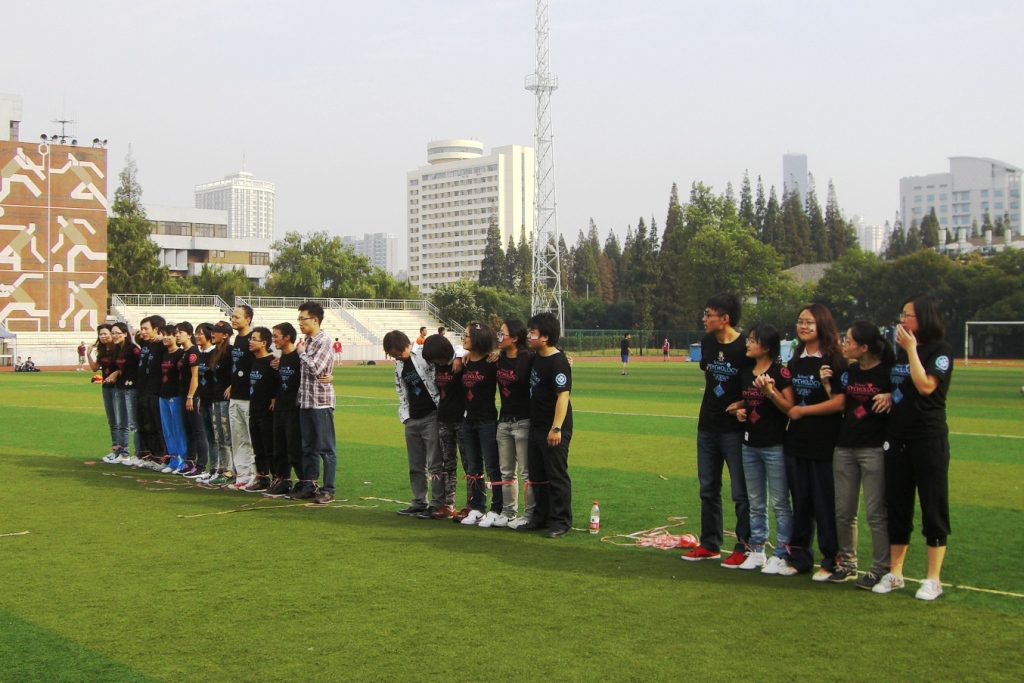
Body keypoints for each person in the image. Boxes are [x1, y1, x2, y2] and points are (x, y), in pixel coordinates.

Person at [873, 294, 955, 601]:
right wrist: (887, 395)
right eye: (901, 314)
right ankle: (896, 572)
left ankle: (933, 578)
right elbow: (901, 386)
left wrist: (910, 350)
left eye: (907, 315)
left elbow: (925, 386)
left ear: (923, 319)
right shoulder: (900, 350)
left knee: (933, 506)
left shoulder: (939, 350)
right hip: (897, 437)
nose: (901, 321)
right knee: (898, 504)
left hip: (927, 438)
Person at [682, 293, 754, 566]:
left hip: (734, 430)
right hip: (707, 426)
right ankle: (710, 543)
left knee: (740, 492)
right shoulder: (708, 342)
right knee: (708, 488)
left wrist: (742, 403)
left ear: (724, 319)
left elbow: (755, 383)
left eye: (708, 314)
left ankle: (745, 545)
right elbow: (709, 373)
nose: (704, 318)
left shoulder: (746, 346)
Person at [726, 324, 796, 574]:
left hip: (774, 445)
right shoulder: (746, 372)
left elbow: (790, 408)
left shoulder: (781, 373)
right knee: (756, 501)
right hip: (749, 444)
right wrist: (740, 410)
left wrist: (770, 391)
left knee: (779, 502)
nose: (747, 343)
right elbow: (748, 400)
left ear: (766, 347)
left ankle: (782, 552)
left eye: (753, 340)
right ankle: (757, 550)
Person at [783, 304, 847, 580]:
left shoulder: (834, 359)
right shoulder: (795, 359)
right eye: (800, 322)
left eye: (809, 322)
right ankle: (799, 557)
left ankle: (830, 559)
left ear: (822, 324)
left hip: (824, 441)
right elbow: (790, 399)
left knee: (824, 501)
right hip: (797, 440)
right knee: (801, 501)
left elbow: (841, 402)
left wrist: (803, 411)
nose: (804, 326)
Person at [831, 320, 894, 589]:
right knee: (844, 511)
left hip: (874, 448)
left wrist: (892, 395)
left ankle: (880, 567)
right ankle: (847, 564)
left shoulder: (888, 373)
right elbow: (841, 404)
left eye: (849, 340)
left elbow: (909, 393)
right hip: (844, 446)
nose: (844, 344)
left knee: (875, 512)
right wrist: (826, 383)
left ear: (865, 346)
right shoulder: (850, 371)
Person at [517, 312, 573, 538]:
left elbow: (563, 396)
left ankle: (561, 521)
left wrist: (556, 427)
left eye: (533, 332)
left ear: (546, 337)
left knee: (556, 475)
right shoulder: (535, 357)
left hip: (554, 427)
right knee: (537, 475)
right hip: (536, 425)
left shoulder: (558, 361)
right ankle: (541, 517)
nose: (529, 335)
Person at [384, 329, 443, 518]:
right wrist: (405, 416)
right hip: (412, 419)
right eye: (393, 356)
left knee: (435, 464)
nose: (397, 358)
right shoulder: (399, 365)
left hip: (431, 416)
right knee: (415, 465)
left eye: (399, 353)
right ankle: (419, 502)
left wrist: (459, 357)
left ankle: (437, 504)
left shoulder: (425, 354)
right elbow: (401, 390)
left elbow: (452, 351)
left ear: (407, 345)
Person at [456, 323, 503, 527]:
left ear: (478, 339)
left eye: (466, 336)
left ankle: (497, 509)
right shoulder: (465, 361)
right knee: (473, 466)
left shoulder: (492, 362)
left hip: (487, 421)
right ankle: (476, 507)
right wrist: (459, 356)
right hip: (468, 421)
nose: (463, 338)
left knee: (493, 466)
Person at [290, 301, 337, 505]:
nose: (300, 323)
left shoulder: (323, 341)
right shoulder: (307, 342)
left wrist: (301, 353)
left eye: (303, 318)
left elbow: (316, 368)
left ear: (315, 320)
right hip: (306, 401)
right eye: (299, 319)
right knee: (308, 447)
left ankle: (328, 489)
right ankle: (310, 485)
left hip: (321, 402)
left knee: (326, 448)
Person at [495, 319, 535, 529]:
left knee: (527, 472)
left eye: (503, 334)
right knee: (506, 471)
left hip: (523, 422)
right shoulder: (498, 358)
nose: (499, 337)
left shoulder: (528, 358)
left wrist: (565, 359)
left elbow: (551, 357)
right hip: (504, 422)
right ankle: (508, 512)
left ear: (516, 338)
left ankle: (529, 514)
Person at [421, 334, 465, 519]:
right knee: (448, 464)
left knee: (470, 464)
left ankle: (473, 506)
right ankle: (449, 505)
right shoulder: (437, 366)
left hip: (462, 420)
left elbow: (467, 348)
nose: (435, 361)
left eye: (436, 357)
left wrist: (460, 356)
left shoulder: (461, 360)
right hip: (444, 419)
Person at [266, 323, 303, 497]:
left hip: (293, 409)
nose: (273, 340)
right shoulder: (280, 359)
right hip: (280, 408)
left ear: (287, 337)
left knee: (293, 448)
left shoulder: (298, 358)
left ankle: (304, 481)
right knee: (278, 447)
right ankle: (283, 480)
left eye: (276, 336)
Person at [244, 327, 277, 492]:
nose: (250, 341)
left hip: (267, 413)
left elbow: (279, 383)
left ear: (264, 343)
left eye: (254, 339)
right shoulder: (253, 360)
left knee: (269, 447)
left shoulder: (273, 362)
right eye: (250, 338)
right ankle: (262, 478)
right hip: (254, 410)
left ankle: (276, 478)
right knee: (258, 448)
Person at [173, 322, 209, 478]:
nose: (177, 335)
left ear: (189, 334)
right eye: (176, 332)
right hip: (183, 394)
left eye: (180, 332)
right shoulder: (184, 352)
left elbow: (195, 376)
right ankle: (190, 461)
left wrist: (190, 397)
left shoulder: (193, 352)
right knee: (188, 431)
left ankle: (201, 465)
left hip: (191, 395)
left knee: (198, 431)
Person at [226, 305, 256, 489]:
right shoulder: (237, 339)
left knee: (251, 440)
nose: (233, 320)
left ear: (248, 319)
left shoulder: (253, 340)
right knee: (238, 438)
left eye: (237, 317)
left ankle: (255, 475)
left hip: (248, 398)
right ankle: (243, 476)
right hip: (235, 396)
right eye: (232, 317)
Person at [105, 323, 141, 465]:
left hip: (131, 389)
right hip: (119, 388)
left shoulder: (133, 350)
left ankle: (139, 454)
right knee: (121, 422)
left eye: (118, 333)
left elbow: (138, 368)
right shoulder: (117, 350)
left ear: (126, 334)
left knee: (133, 423)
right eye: (113, 333)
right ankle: (123, 452)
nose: (115, 336)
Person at [135, 316, 167, 469]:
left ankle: (162, 456)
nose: (143, 332)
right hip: (142, 390)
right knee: (145, 425)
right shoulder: (145, 343)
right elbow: (135, 336)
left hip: (155, 391)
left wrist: (162, 337)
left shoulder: (161, 345)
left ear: (156, 329)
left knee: (156, 426)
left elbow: (176, 341)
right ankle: (151, 455)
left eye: (146, 329)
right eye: (141, 328)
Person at [157, 324, 188, 474]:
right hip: (163, 395)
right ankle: (173, 459)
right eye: (163, 334)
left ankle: (182, 460)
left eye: (168, 334)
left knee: (178, 429)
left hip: (175, 396)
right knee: (167, 430)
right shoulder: (163, 353)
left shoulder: (180, 354)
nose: (165, 337)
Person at [192, 323, 220, 483]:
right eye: (196, 333)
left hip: (214, 400)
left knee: (217, 438)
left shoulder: (214, 354)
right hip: (204, 400)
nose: (197, 336)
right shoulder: (201, 354)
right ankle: (212, 469)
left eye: (200, 333)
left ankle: (218, 469)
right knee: (210, 436)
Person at [90, 324, 118, 461]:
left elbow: (125, 366)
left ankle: (123, 450)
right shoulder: (102, 351)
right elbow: (95, 368)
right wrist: (88, 353)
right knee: (112, 420)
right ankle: (115, 448)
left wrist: (115, 374)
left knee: (121, 421)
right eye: (100, 334)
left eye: (105, 334)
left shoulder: (118, 349)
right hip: (106, 387)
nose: (103, 336)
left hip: (118, 387)